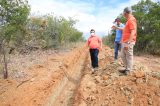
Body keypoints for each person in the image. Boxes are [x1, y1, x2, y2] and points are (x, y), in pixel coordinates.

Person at [113, 7, 137, 75]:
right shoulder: (128, 21)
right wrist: (117, 28)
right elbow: (124, 30)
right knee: (123, 55)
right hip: (124, 41)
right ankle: (126, 68)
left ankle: (129, 70)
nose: (123, 15)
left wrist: (128, 43)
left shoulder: (131, 20)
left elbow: (133, 32)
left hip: (128, 42)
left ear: (126, 13)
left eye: (123, 13)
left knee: (129, 56)